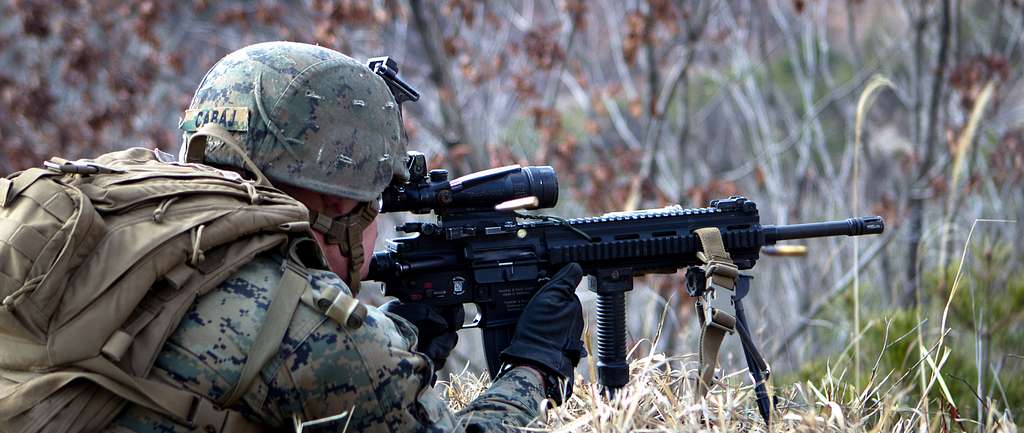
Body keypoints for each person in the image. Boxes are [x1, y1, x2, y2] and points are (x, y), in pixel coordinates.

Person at [98, 41, 586, 433]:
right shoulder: (304, 331)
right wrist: (533, 369)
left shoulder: (131, 230)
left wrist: (401, 341)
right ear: (337, 208)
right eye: (376, 203)